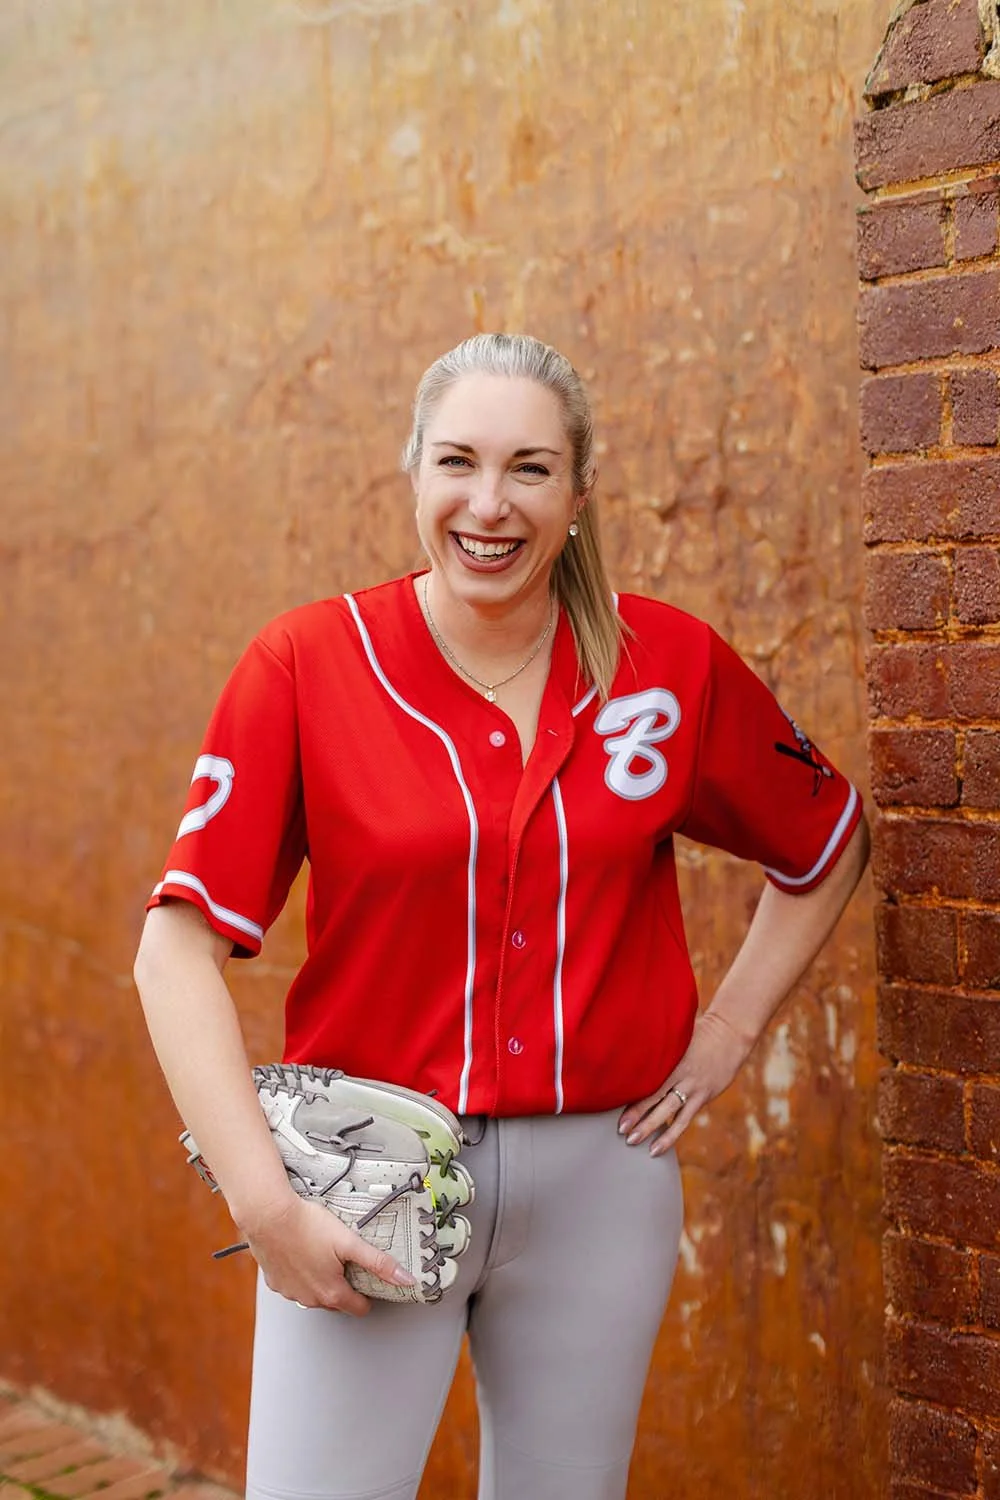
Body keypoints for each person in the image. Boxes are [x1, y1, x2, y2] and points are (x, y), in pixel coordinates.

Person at [134, 332, 869, 1500]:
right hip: (370, 1177)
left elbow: (827, 839)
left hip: (603, 1179)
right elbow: (172, 952)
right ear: (413, 472)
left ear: (579, 491)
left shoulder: (664, 664)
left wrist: (727, 1034)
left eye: (530, 467)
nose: (490, 503)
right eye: (458, 462)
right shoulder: (306, 663)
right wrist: (261, 1202)